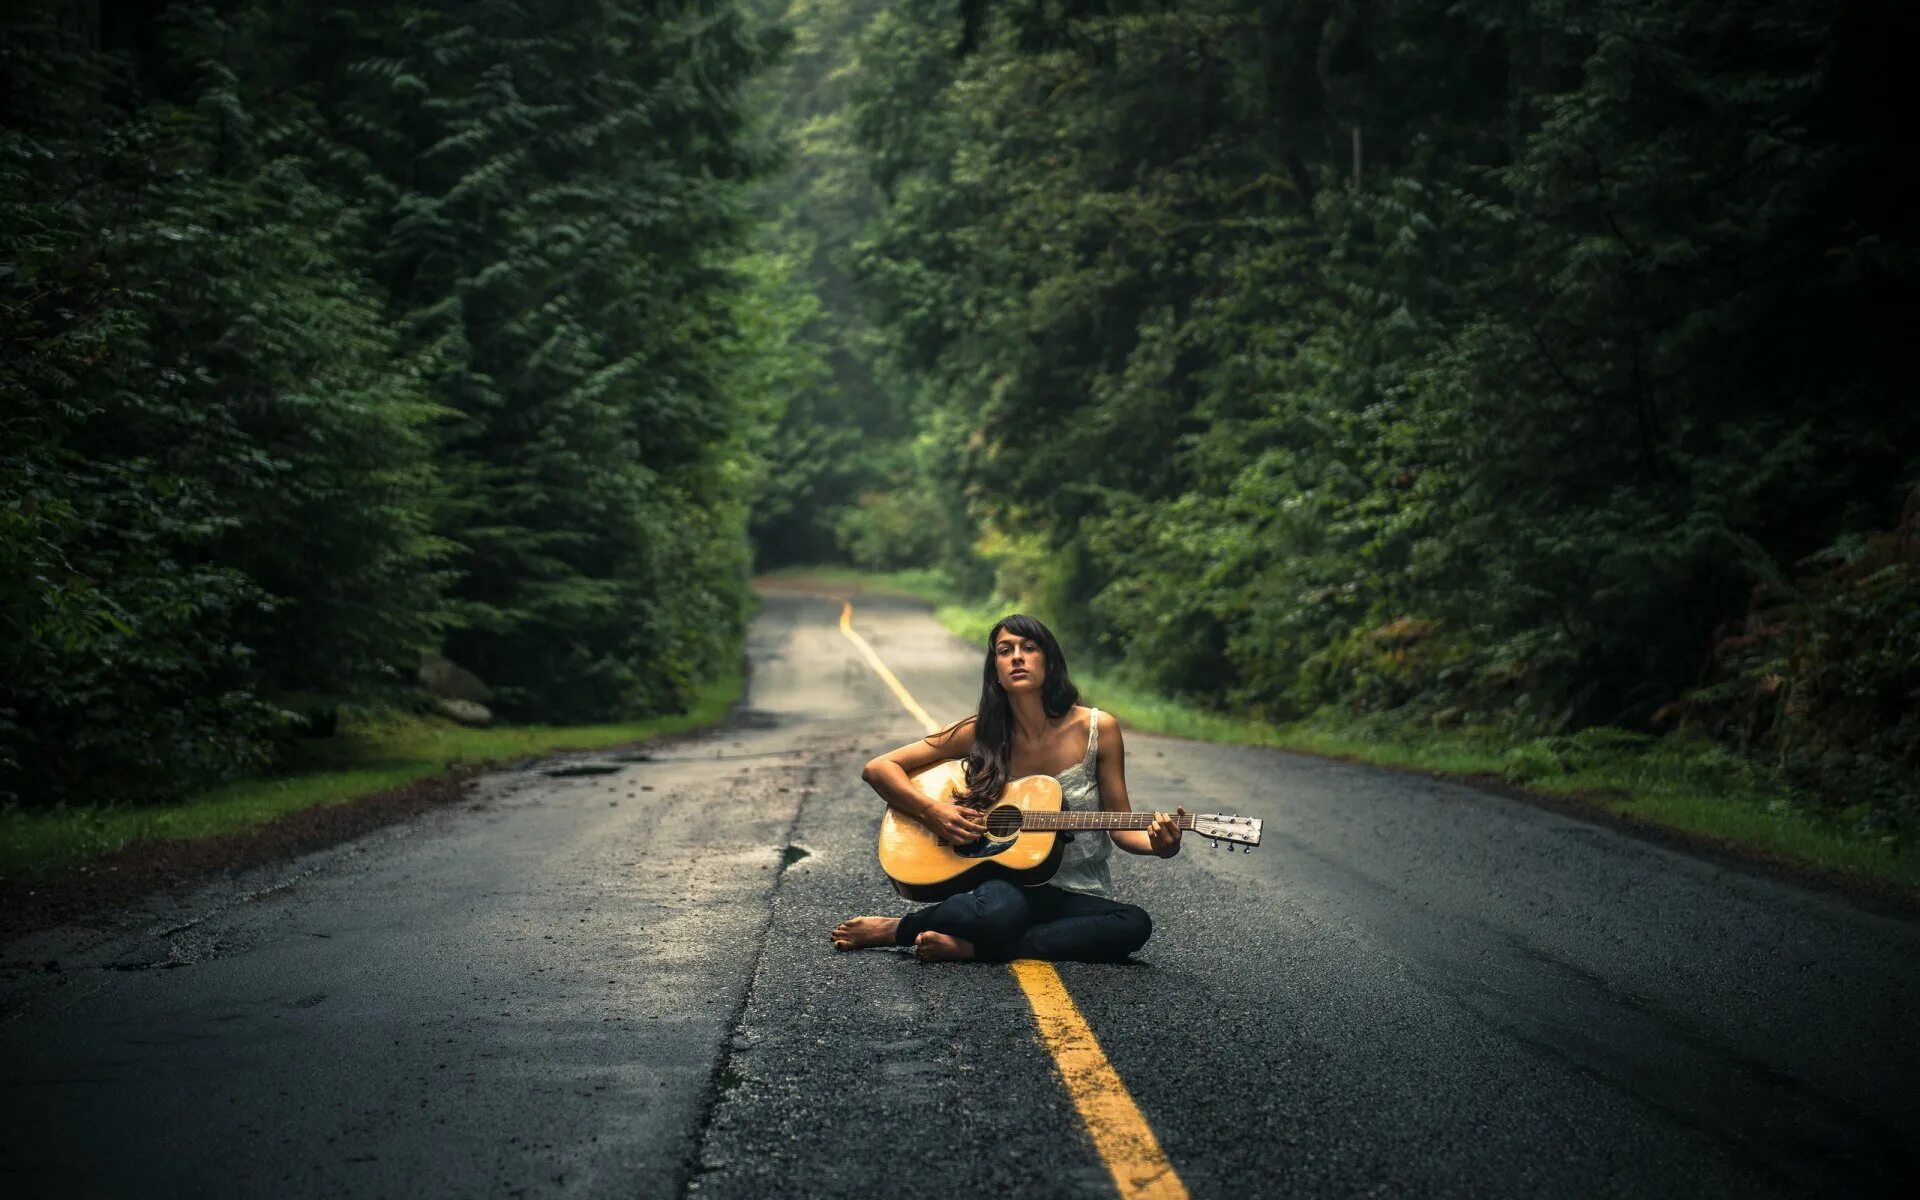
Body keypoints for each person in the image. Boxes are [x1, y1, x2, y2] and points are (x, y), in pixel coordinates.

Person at [831, 613, 1184, 963]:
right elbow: (879, 768)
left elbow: (1121, 827)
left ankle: (979, 949)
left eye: (1029, 647)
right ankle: (898, 929)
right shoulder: (980, 731)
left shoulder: (1098, 729)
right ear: (996, 671)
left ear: (1049, 661)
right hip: (1008, 887)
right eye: (1005, 650)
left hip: (1076, 893)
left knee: (1132, 923)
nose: (1017, 656)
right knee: (996, 910)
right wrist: (932, 811)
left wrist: (1159, 846)